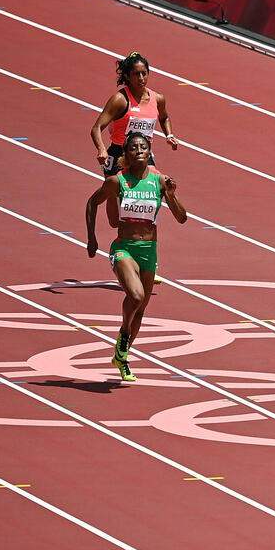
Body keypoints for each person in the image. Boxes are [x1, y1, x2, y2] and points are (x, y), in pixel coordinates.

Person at [85, 132, 187, 381]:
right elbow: (92, 202)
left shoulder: (160, 181)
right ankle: (123, 336)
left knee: (140, 310)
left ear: (149, 151)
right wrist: (91, 238)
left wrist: (171, 195)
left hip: (149, 250)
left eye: (143, 146)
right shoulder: (117, 181)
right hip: (124, 248)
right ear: (126, 155)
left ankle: (122, 357)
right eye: (133, 148)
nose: (139, 150)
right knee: (137, 295)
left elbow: (182, 217)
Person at [90, 51, 178, 228]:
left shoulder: (157, 98)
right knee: (114, 219)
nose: (141, 78)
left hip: (143, 153)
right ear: (128, 76)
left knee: (157, 183)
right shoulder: (120, 100)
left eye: (144, 73)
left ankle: (147, 223)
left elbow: (164, 117)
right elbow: (96, 128)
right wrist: (101, 149)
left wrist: (169, 135)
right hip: (118, 153)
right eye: (136, 74)